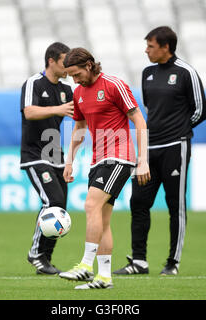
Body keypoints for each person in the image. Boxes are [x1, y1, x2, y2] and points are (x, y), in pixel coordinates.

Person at [113, 26, 206, 276]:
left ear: (166, 47)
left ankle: (172, 263)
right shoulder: (148, 74)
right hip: (148, 149)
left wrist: (179, 130)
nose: (146, 50)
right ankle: (139, 261)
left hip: (176, 147)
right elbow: (150, 108)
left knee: (174, 205)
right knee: (138, 202)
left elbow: (200, 110)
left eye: (151, 46)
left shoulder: (186, 72)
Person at [58, 48, 150, 289]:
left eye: (76, 74)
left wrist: (143, 159)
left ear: (89, 65)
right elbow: (79, 127)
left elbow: (139, 120)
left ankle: (86, 266)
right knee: (102, 219)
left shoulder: (113, 85)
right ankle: (105, 278)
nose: (74, 80)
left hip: (120, 156)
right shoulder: (77, 93)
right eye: (70, 76)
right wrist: (70, 160)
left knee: (91, 205)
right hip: (98, 159)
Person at [20, 42, 74, 275]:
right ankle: (35, 253)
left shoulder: (66, 89)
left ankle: (45, 258)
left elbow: (80, 116)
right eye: (65, 62)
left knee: (60, 205)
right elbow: (29, 111)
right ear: (51, 61)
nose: (68, 67)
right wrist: (58, 109)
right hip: (35, 155)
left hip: (56, 155)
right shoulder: (33, 83)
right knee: (52, 200)